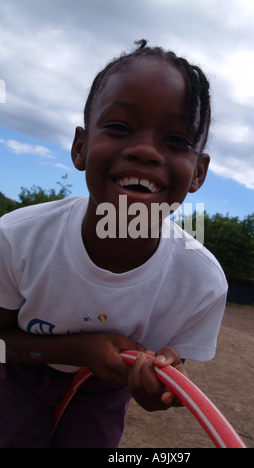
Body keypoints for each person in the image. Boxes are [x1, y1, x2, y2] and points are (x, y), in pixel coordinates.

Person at [0, 40, 228, 448]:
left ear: (198, 172)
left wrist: (161, 380)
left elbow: (177, 361)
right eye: (120, 128)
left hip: (103, 395)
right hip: (15, 381)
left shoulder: (202, 282)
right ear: (80, 147)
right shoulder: (17, 238)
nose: (144, 150)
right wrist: (78, 350)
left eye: (177, 140)